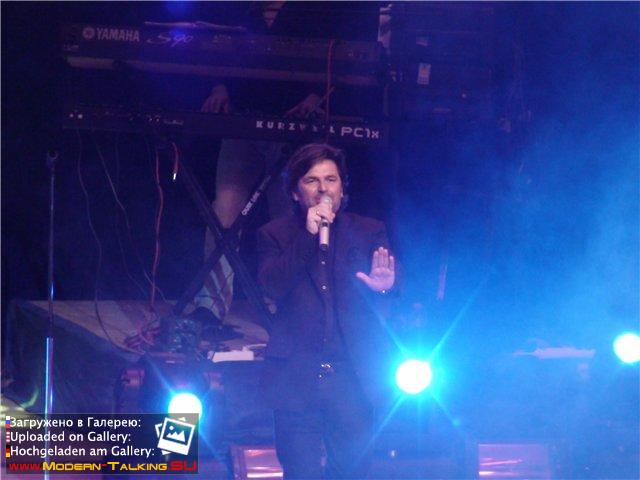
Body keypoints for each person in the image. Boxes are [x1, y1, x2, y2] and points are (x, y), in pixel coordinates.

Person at [256, 143, 399, 479]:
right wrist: (308, 237)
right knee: (300, 471)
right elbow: (272, 286)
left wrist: (387, 286)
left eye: (331, 179)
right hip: (296, 377)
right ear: (295, 192)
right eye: (312, 180)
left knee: (352, 470)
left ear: (342, 188)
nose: (323, 189)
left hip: (351, 378)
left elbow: (394, 285)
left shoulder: (368, 230)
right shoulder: (274, 234)